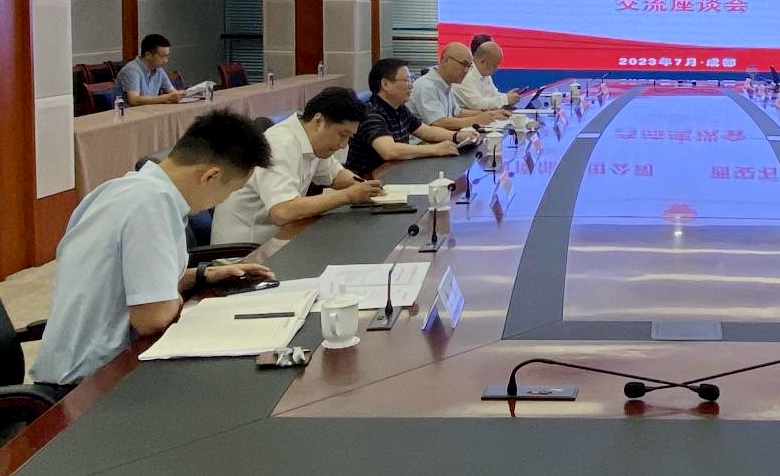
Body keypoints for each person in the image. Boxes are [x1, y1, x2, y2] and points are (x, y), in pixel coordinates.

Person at [30, 111, 274, 388]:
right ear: (210, 176)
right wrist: (172, 299)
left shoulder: (120, 188)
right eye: (231, 191)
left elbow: (125, 282)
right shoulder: (152, 205)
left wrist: (201, 276)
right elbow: (152, 318)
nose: (223, 200)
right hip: (89, 386)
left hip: (80, 369)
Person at [211, 88, 386, 246]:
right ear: (318, 121)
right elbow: (282, 212)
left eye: (349, 137)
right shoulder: (281, 145)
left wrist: (364, 187)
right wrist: (348, 196)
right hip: (245, 254)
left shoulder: (313, 140)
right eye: (342, 135)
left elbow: (335, 175)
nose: (343, 145)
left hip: (279, 241)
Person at [346, 58, 472, 176]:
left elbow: (425, 131)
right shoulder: (371, 114)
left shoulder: (400, 109)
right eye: (407, 80)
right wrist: (435, 149)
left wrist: (457, 136)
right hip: (370, 179)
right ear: (385, 84)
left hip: (396, 171)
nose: (411, 85)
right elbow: (389, 150)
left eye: (412, 79)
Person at [407, 42, 510, 131]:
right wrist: (476, 120)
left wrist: (491, 114)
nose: (466, 71)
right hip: (421, 143)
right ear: (446, 60)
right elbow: (438, 122)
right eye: (463, 64)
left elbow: (458, 112)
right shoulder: (426, 86)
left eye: (469, 66)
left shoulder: (446, 83)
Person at [116, 33, 184, 106]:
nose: (166, 61)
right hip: (129, 112)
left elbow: (173, 93)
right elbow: (134, 100)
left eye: (167, 56)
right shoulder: (131, 70)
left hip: (150, 110)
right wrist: (165, 98)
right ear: (148, 55)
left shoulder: (158, 69)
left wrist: (185, 94)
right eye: (162, 56)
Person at [454, 41, 522, 111]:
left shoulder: (485, 74)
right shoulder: (465, 75)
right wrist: (506, 99)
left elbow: (493, 95)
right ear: (483, 62)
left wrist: (508, 96)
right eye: (494, 66)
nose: (497, 69)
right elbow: (478, 105)